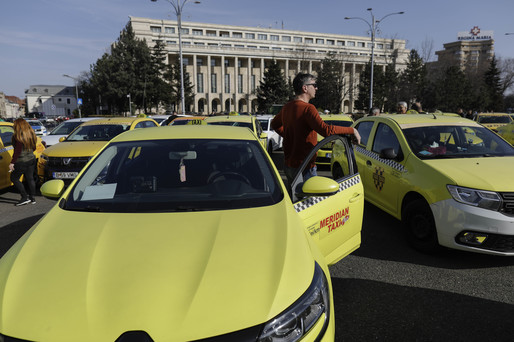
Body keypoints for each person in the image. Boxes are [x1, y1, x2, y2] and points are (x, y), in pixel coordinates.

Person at [271, 73, 361, 187]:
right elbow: (326, 130)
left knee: (295, 201)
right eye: (314, 85)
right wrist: (352, 130)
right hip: (305, 167)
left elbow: (275, 125)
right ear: (305, 88)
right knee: (309, 202)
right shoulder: (308, 108)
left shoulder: (287, 107)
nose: (316, 88)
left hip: (289, 166)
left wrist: (291, 136)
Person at [9, 118, 37, 206]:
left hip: (21, 161)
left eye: (14, 124)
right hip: (31, 159)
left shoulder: (17, 136)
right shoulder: (30, 133)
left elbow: (17, 151)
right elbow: (34, 148)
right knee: (30, 178)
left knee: (14, 178)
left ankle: (24, 197)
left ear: (18, 126)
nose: (13, 126)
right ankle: (32, 198)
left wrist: (12, 162)